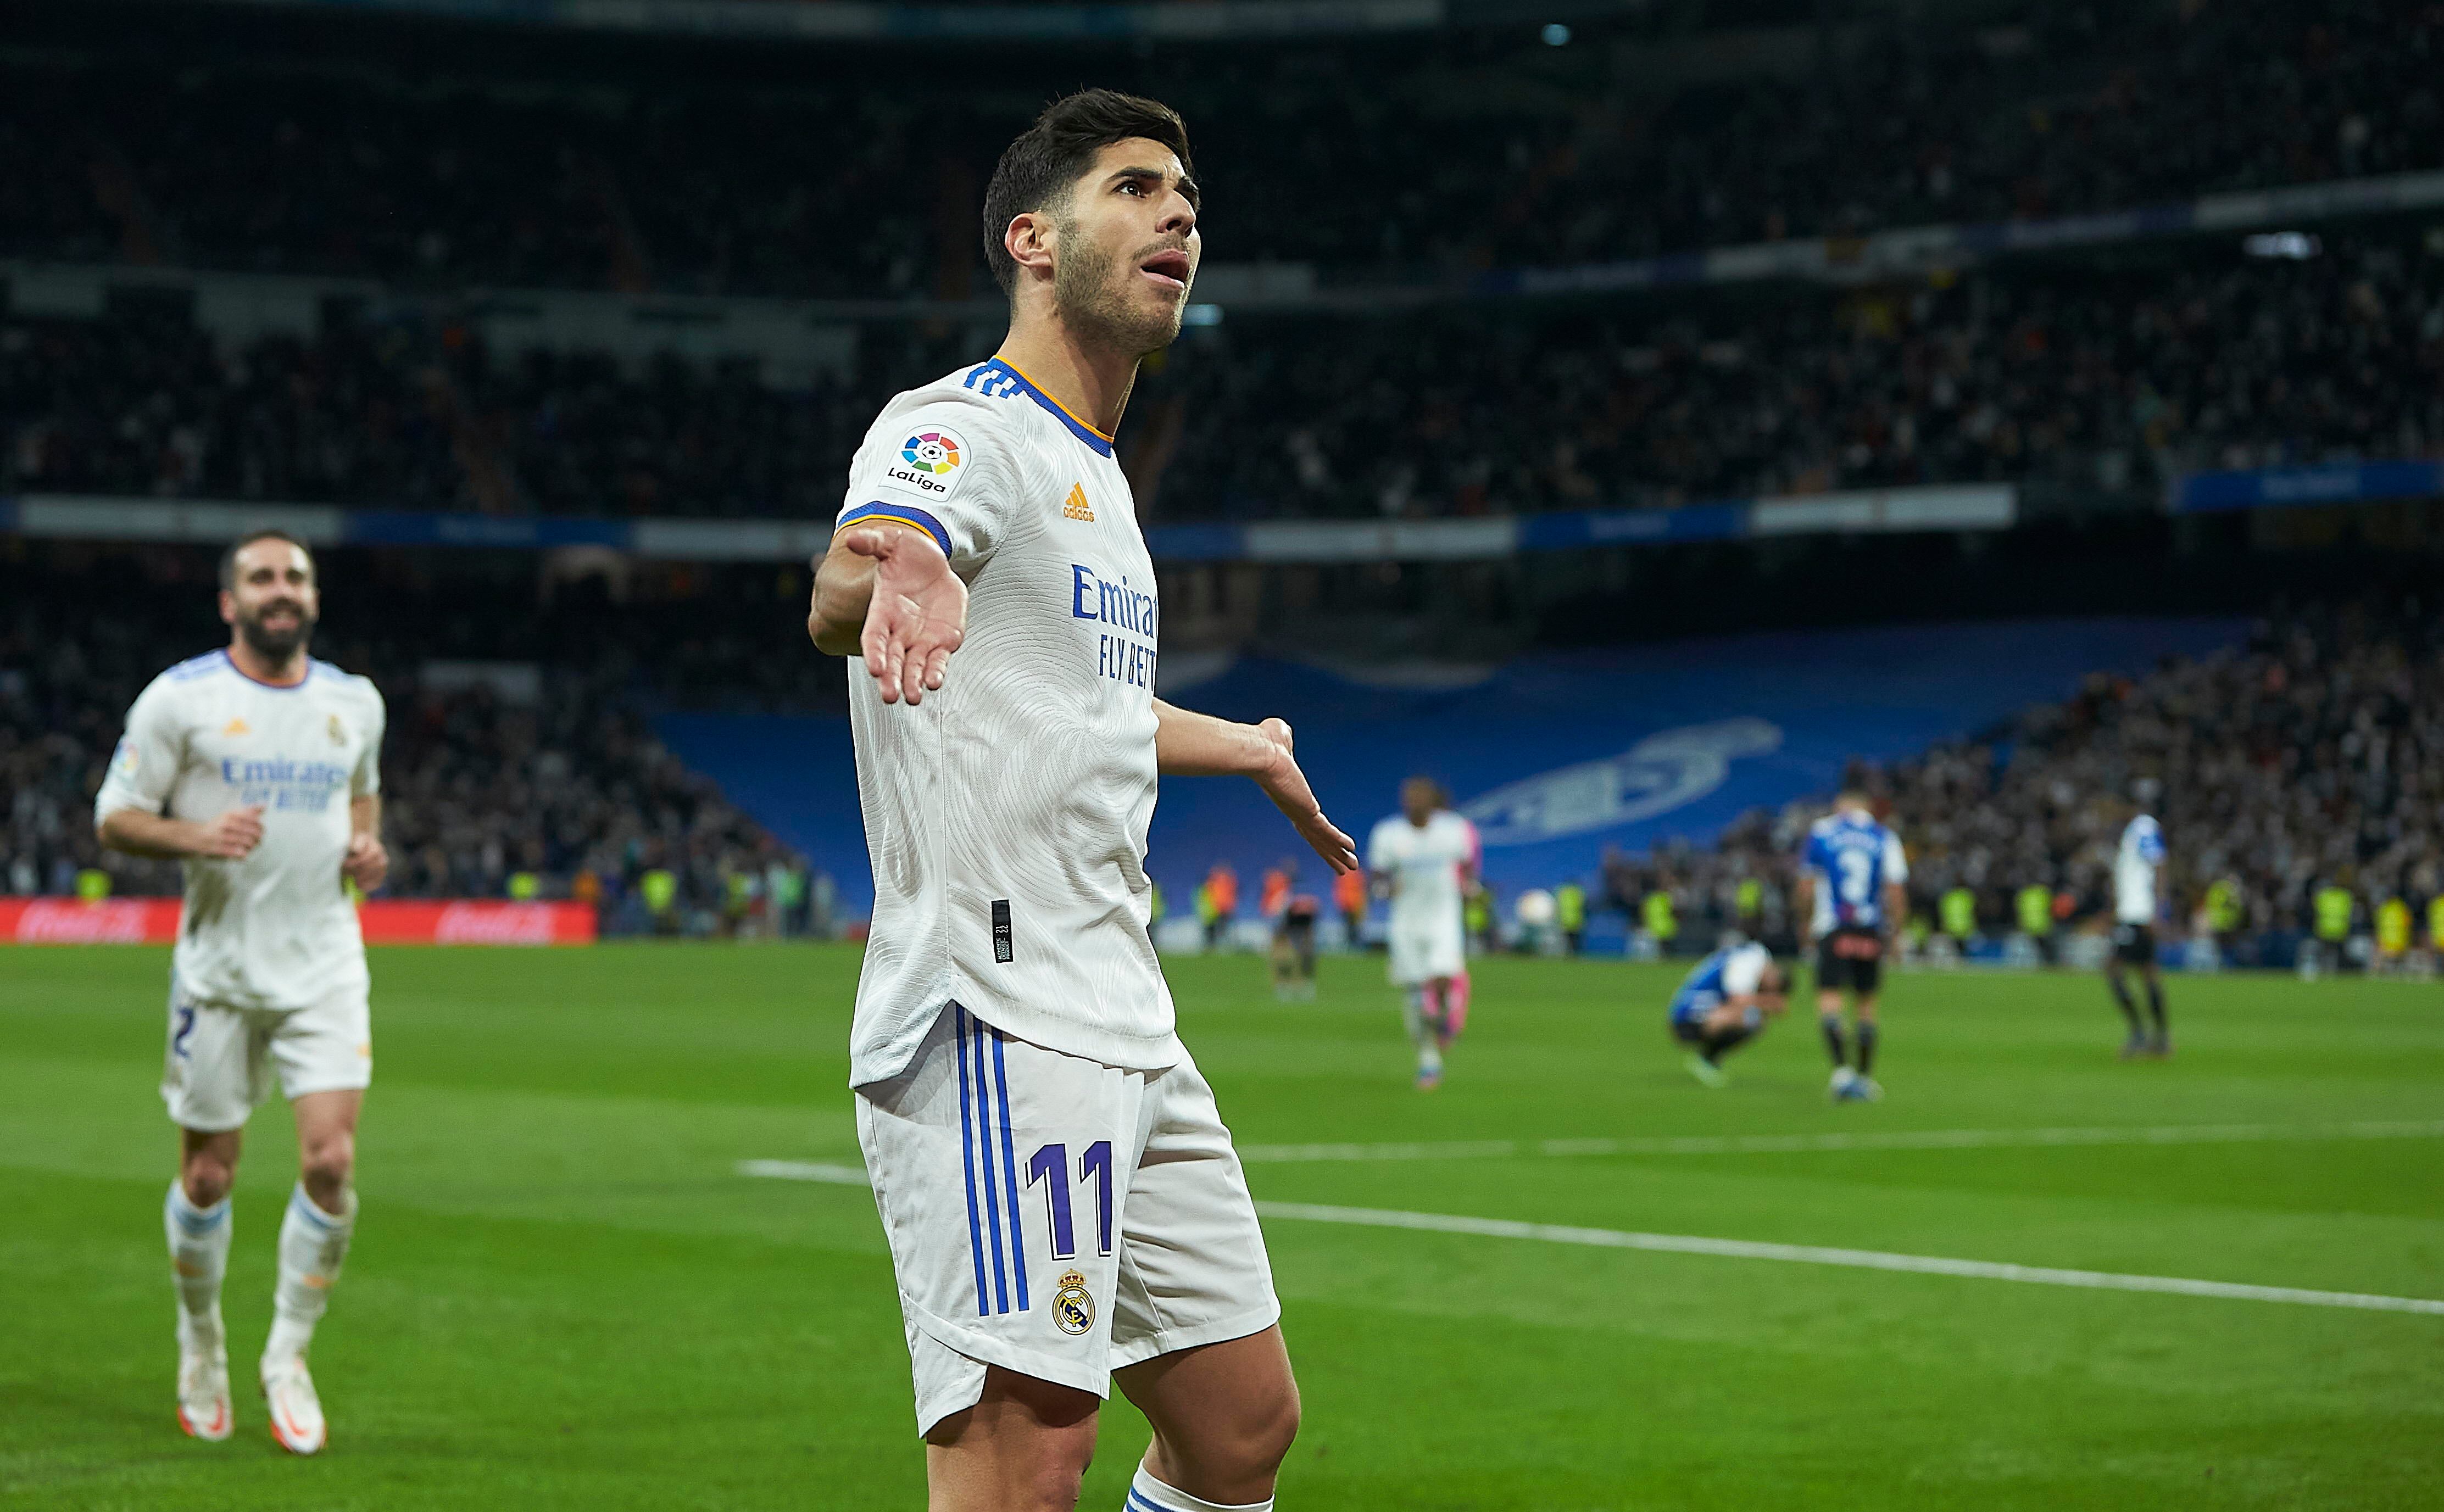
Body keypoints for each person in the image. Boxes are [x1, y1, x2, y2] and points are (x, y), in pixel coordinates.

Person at [804, 90, 1357, 1512]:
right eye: (1135, 187)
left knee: (1240, 1427)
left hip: (1123, 1010)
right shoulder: (964, 426)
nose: (1179, 213)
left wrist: (1243, 745)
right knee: (1029, 1449)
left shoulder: (1099, 487)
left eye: (1186, 195)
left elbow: (1073, 704)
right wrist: (901, 567)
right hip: (996, 1013)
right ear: (1031, 240)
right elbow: (858, 569)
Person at [93, 529, 388, 1456]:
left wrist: (368, 853)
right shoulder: (180, 700)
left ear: (311, 595)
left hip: (326, 963)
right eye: (260, 577)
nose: (279, 590)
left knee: (331, 1163)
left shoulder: (354, 702)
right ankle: (200, 1338)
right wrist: (196, 835)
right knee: (209, 1172)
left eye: (294, 576)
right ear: (229, 601)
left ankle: (287, 1356)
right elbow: (114, 816)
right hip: (219, 970)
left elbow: (364, 806)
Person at [1365, 777, 1479, 1090]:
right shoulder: (1389, 835)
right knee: (1415, 994)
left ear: (1432, 801)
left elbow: (1468, 864)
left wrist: (1468, 886)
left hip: (1444, 918)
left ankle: (1444, 1011)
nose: (1413, 804)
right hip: (1406, 924)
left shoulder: (1452, 830)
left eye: (1419, 798)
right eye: (1408, 799)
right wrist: (1386, 889)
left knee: (1442, 976)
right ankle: (1429, 1060)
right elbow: (1377, 879)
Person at [1794, 791, 1908, 1102]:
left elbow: (1806, 886)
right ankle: (1865, 1076)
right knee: (1867, 1007)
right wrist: (1896, 935)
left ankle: (1842, 1072)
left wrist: (1804, 925)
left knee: (1830, 1001)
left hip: (1833, 928)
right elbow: (1895, 890)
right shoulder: (1884, 836)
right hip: (1870, 929)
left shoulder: (1823, 832)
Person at [1667, 941, 1790, 1087]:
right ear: (1773, 977)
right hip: (1688, 1012)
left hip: (1700, 1005)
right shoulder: (1748, 963)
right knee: (1747, 1018)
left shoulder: (1755, 956)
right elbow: (1738, 1000)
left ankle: (1708, 1058)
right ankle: (1706, 1058)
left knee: (1753, 1018)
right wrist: (1770, 1003)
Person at [2108, 807, 2170, 1057]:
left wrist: (2159, 911)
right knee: (2148, 973)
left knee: (2114, 969)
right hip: (2135, 913)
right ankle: (2160, 1039)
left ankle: (2140, 1035)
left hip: (2137, 915)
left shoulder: (2142, 827)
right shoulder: (2134, 831)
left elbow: (2160, 863)